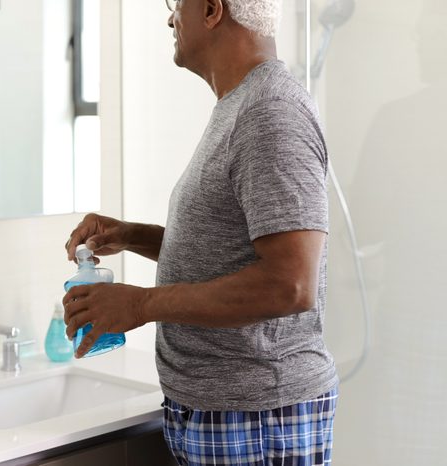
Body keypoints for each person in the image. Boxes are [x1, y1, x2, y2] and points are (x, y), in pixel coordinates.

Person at [62, 0, 338, 464]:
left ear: (212, 9)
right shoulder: (241, 105)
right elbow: (227, 252)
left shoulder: (270, 114)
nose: (170, 18)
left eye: (177, 5)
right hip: (228, 412)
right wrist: (132, 235)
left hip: (256, 415)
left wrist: (141, 304)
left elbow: (290, 285)